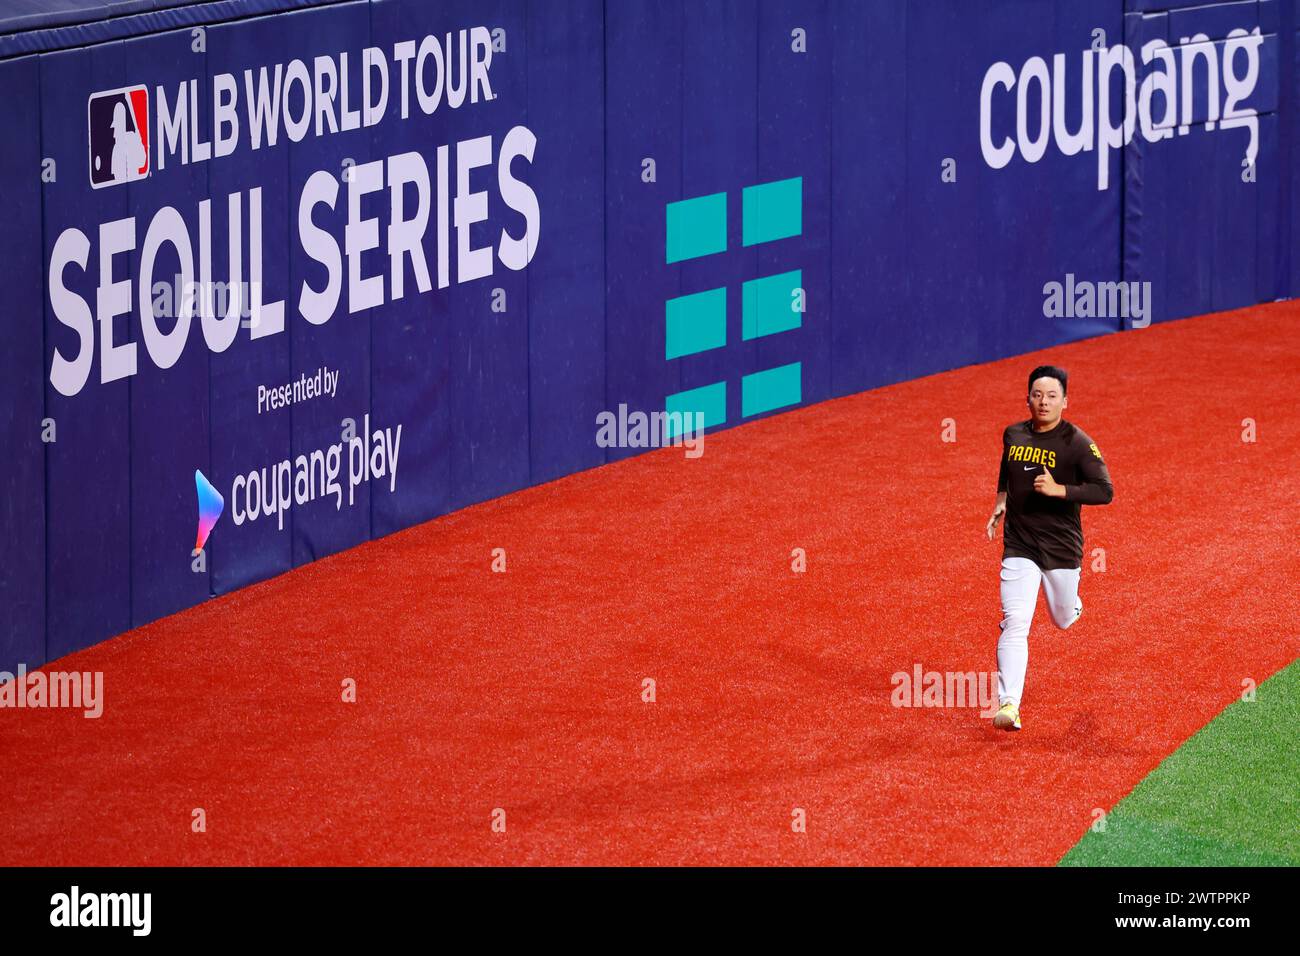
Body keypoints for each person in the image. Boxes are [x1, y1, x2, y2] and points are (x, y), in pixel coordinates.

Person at [985, 365, 1114, 731]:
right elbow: (1006, 469)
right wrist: (1000, 501)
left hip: (1061, 547)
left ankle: (1072, 603)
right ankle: (1009, 704)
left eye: (1052, 396)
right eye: (1037, 395)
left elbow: (1105, 491)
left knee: (1062, 619)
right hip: (1020, 542)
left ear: (1065, 401)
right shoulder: (1014, 435)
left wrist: (1062, 491)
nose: (1043, 402)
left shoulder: (1077, 443)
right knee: (1016, 623)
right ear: (1027, 398)